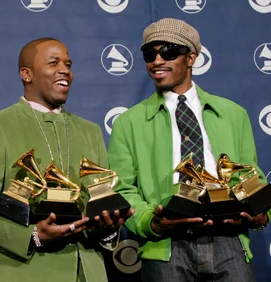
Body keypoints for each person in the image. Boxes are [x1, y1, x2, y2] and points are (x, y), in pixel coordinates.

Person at [108, 18, 270, 282]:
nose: (157, 60)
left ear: (191, 57)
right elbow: (122, 188)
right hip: (165, 246)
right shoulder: (128, 123)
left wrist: (259, 215)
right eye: (150, 54)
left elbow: (250, 177)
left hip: (229, 241)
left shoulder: (233, 114)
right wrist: (150, 222)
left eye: (168, 52)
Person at [0, 37, 133, 282]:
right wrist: (32, 235)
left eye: (68, 64)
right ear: (27, 74)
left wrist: (107, 230)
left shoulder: (90, 130)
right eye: (53, 63)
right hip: (26, 271)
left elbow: (99, 201)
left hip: (89, 271)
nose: (65, 70)